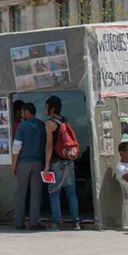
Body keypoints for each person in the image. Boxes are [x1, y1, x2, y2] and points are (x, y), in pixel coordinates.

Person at [44, 95, 81, 231]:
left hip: (55, 162)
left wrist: (47, 164)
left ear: (52, 109)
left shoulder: (49, 123)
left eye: (46, 106)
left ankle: (56, 222)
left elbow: (49, 144)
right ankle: (76, 222)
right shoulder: (66, 121)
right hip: (68, 161)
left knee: (54, 192)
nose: (45, 109)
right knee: (71, 192)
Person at [11, 103, 46, 230]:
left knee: (21, 193)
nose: (21, 114)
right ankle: (34, 222)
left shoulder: (22, 126)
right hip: (38, 162)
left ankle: (19, 222)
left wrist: (14, 164)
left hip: (23, 163)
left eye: (22, 111)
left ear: (26, 112)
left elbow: (17, 146)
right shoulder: (42, 125)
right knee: (36, 193)